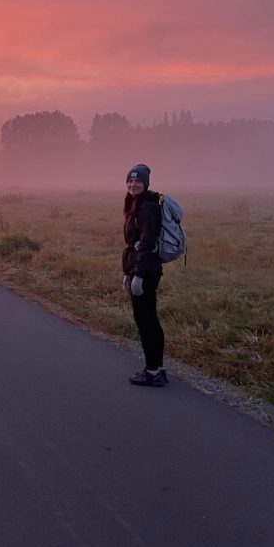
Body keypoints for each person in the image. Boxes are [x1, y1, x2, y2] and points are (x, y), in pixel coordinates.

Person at [122, 163, 168, 386]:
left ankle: (151, 372)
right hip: (143, 269)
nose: (133, 184)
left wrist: (138, 275)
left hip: (146, 271)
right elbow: (134, 242)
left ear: (145, 183)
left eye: (137, 181)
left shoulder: (147, 207)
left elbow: (147, 242)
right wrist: (127, 272)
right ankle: (157, 368)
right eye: (130, 181)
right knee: (150, 318)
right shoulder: (138, 204)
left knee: (145, 320)